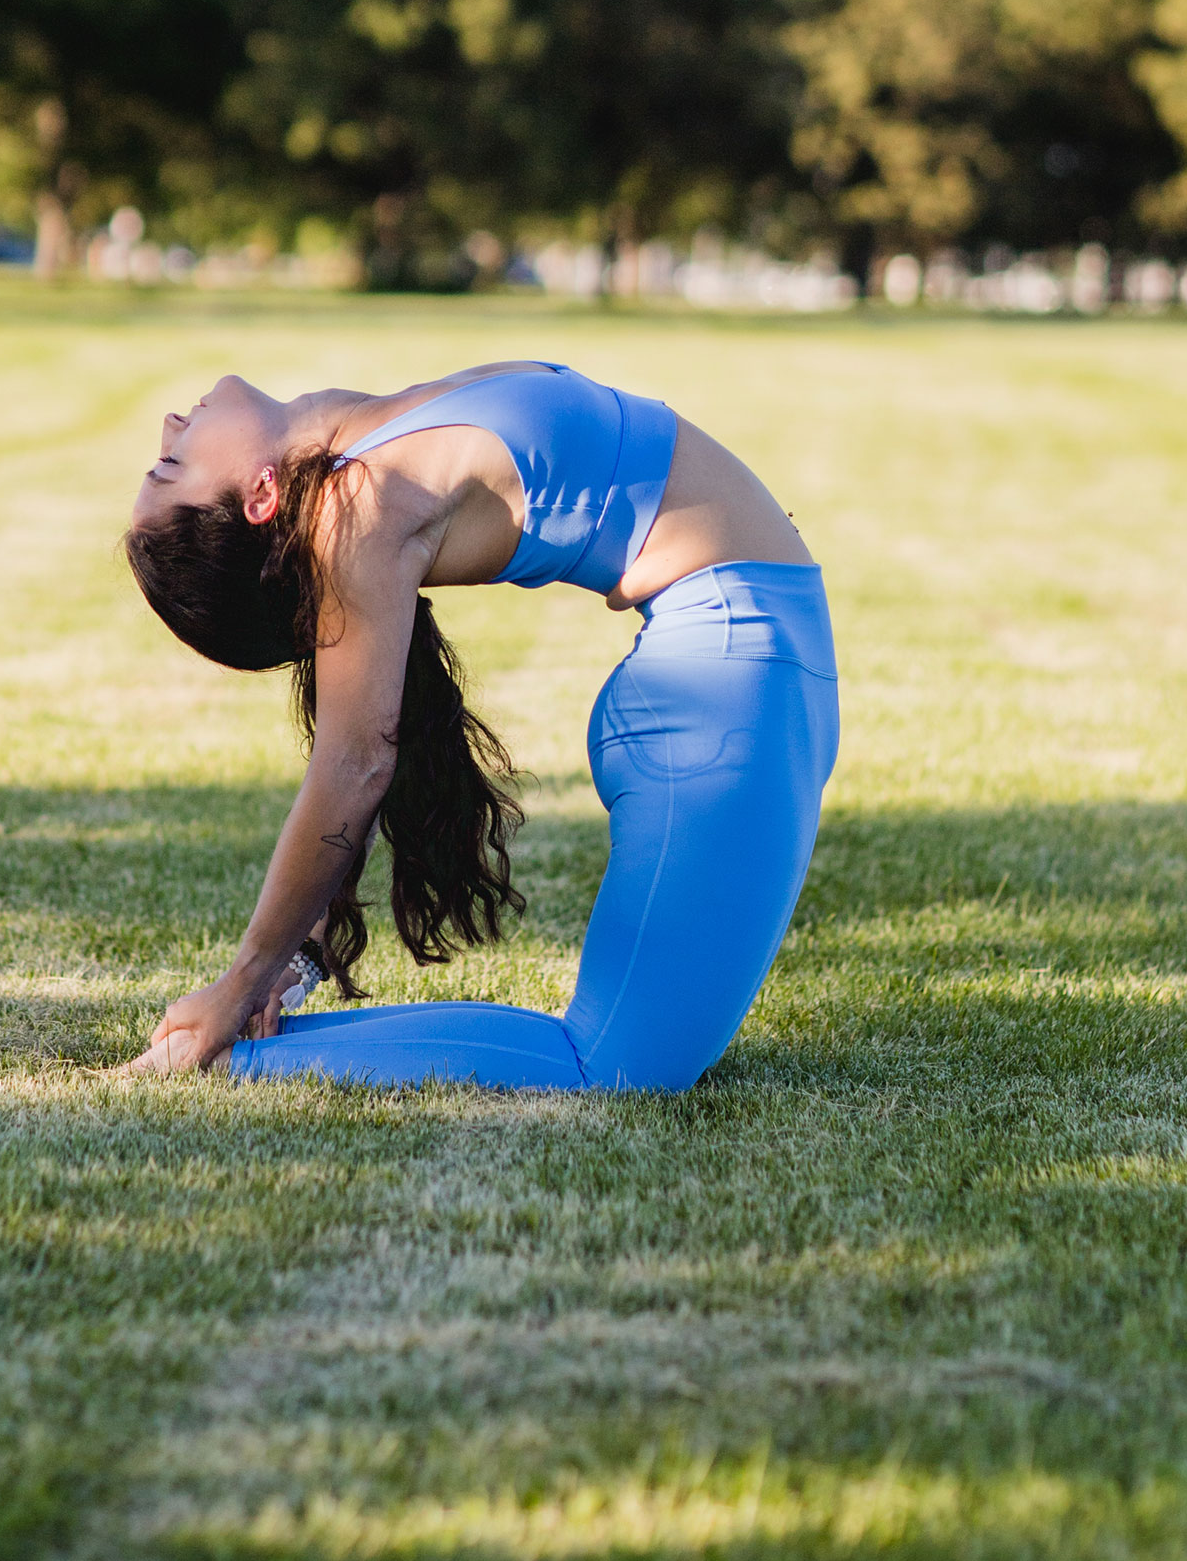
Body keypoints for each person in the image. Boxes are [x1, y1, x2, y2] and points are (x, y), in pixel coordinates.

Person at [121, 360, 838, 1090]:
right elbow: (356, 764)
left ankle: (236, 1050)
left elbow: (371, 749)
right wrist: (247, 981)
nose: (171, 425)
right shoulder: (358, 504)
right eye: (173, 463)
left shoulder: (364, 453)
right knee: (624, 1069)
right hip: (730, 677)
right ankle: (220, 1057)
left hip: (737, 667)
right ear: (261, 495)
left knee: (641, 1053)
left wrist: (283, 963)